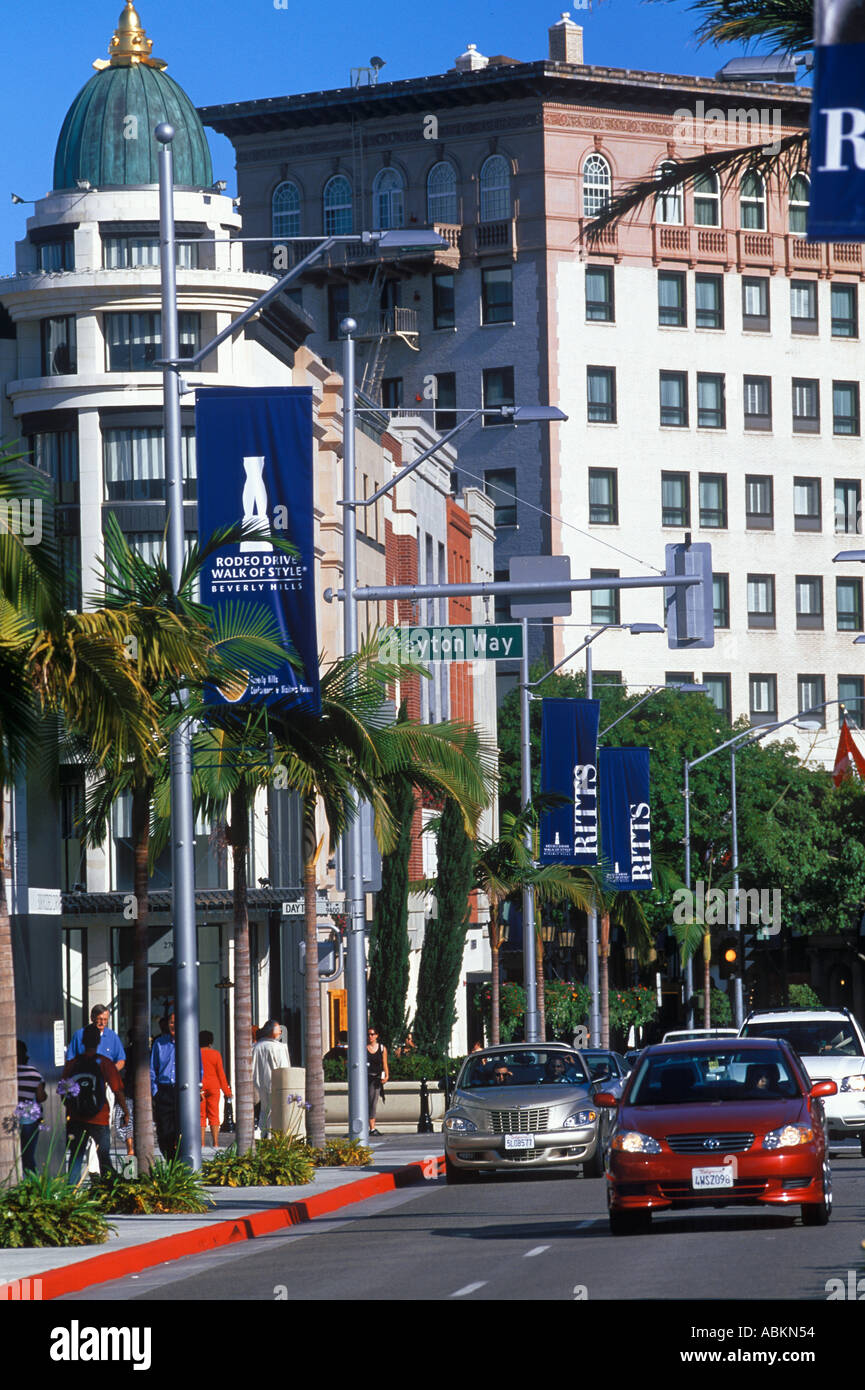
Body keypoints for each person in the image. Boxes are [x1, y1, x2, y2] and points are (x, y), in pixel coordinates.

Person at [59, 1023, 128, 1184]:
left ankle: (71, 1196)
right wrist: (126, 1111)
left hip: (76, 1118)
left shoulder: (73, 1063)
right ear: (98, 1041)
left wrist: (71, 1107)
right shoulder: (104, 1062)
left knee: (75, 1158)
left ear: (82, 1040)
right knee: (104, 1157)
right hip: (99, 1116)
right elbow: (117, 1089)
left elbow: (62, 1089)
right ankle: (109, 1192)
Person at [252, 1020, 291, 1138]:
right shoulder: (278, 1047)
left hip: (259, 1083)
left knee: (264, 1110)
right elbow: (284, 1067)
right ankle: (269, 1136)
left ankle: (262, 1133)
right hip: (276, 1083)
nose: (280, 1032)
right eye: (278, 1029)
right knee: (274, 1111)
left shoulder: (256, 1046)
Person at [67, 1005, 126, 1073]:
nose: (102, 1023)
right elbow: (70, 1060)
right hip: (85, 1078)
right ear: (92, 1018)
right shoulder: (79, 1035)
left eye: (105, 1020)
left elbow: (121, 1060)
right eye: (100, 1019)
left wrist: (110, 1072)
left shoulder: (112, 1036)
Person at [17, 1040, 47, 1174]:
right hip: (30, 1120)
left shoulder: (5, 1073)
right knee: (28, 1155)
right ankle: (33, 1185)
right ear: (26, 1056)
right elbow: (41, 1097)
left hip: (11, 1120)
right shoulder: (34, 1074)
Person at [200, 1030, 232, 1150]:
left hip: (200, 1087)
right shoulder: (215, 1054)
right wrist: (227, 1091)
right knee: (214, 1115)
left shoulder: (196, 1053)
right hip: (214, 1086)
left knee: (201, 1116)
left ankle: (202, 1144)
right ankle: (216, 1143)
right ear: (210, 1042)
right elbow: (221, 1074)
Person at [367, 1027, 389, 1136]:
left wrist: (386, 1075)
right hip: (365, 1079)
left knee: (373, 1102)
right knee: (366, 1102)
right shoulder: (364, 1048)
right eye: (369, 1034)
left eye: (372, 1034)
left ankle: (372, 1127)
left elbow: (384, 1063)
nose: (370, 1037)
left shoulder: (381, 1048)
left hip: (376, 1079)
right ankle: (370, 1127)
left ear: (376, 1035)